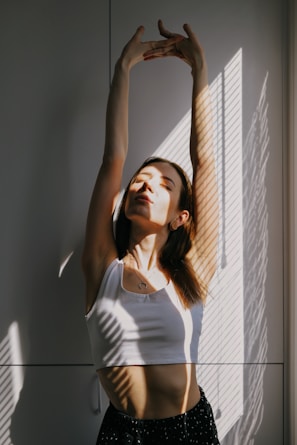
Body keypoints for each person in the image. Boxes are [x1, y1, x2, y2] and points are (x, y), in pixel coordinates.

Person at [82, 19, 220, 445]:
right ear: (126, 200)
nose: (146, 185)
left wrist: (200, 72)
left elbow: (206, 162)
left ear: (181, 216)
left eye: (165, 185)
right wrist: (123, 68)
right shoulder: (102, 268)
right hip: (124, 433)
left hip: (190, 429)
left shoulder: (193, 271)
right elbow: (112, 159)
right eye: (142, 179)